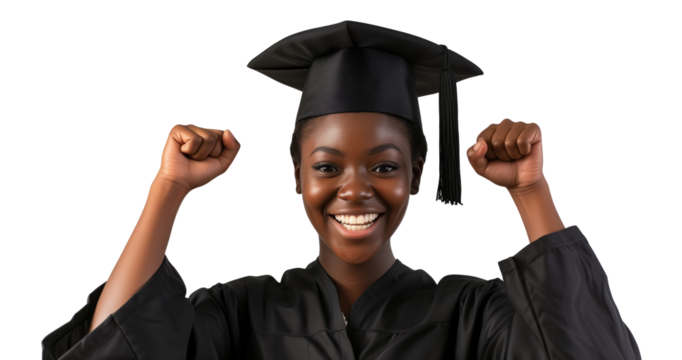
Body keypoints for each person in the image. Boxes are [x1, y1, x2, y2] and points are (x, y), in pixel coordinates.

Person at [41, 19, 642, 359]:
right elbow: (116, 351)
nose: (355, 190)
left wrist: (531, 193)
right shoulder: (241, 311)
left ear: (415, 174)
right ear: (297, 175)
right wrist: (167, 188)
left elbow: (590, 355)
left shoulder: (469, 314)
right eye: (327, 168)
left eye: (383, 167)